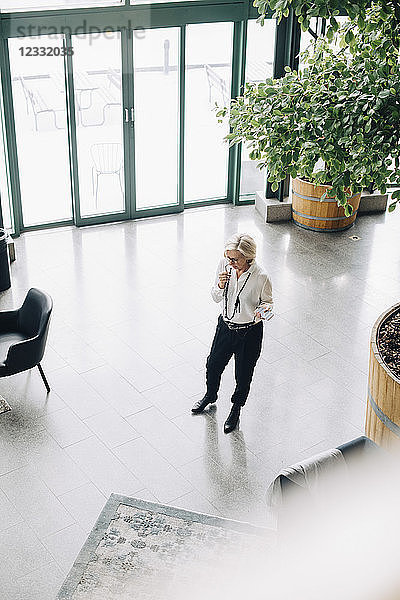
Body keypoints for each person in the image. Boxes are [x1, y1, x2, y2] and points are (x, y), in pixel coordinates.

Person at [191, 233, 273, 433]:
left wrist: (262, 312)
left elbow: (268, 303)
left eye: (235, 259)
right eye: (228, 257)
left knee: (243, 375)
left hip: (249, 332)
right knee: (213, 363)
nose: (231, 262)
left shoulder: (261, 277)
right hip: (226, 327)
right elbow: (215, 297)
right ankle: (211, 395)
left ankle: (236, 408)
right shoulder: (224, 266)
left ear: (248, 257)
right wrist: (220, 285)